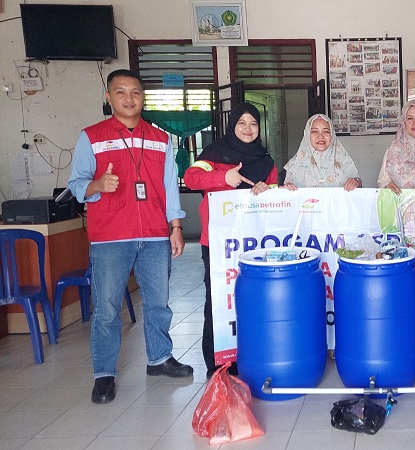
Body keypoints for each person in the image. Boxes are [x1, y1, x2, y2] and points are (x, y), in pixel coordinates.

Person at [68, 69, 193, 404]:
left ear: (143, 97)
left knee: (158, 303)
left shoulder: (160, 138)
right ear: (109, 98)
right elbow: (76, 184)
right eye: (120, 92)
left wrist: (175, 227)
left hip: (154, 235)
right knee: (107, 308)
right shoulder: (91, 137)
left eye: (135, 92)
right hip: (110, 236)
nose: (128, 98)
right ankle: (104, 373)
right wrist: (96, 186)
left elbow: (169, 187)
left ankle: (159, 359)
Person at [183, 102, 278, 379]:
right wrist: (223, 176)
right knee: (218, 302)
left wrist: (267, 190)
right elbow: (191, 178)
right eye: (242, 123)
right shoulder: (213, 154)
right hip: (217, 242)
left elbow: (275, 193)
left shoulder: (266, 160)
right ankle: (218, 365)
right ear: (231, 126)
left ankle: (253, 356)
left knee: (254, 299)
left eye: (253, 124)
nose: (248, 129)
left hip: (255, 243)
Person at [283, 114, 361, 191]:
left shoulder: (344, 161)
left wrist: (356, 182)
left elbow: (359, 186)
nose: (320, 136)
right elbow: (287, 197)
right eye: (314, 131)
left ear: (332, 135)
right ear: (307, 135)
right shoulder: (294, 166)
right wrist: (287, 189)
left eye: (326, 131)